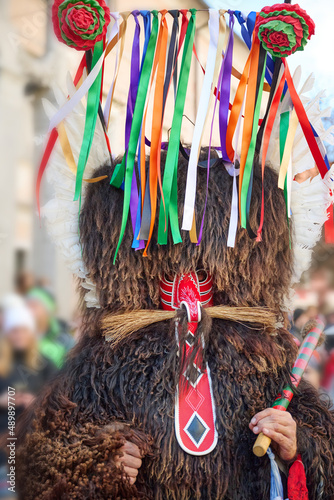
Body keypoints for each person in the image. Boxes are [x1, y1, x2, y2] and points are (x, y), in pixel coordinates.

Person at [16, 4, 334, 500]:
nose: (190, 283)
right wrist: (100, 460)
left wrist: (298, 446)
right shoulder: (101, 363)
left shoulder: (269, 362)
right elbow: (37, 464)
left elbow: (325, 458)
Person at [0, 306, 57, 498]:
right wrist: (3, 401)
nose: (18, 335)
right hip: (4, 447)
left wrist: (36, 401)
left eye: (23, 330)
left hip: (36, 444)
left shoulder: (45, 363)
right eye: (13, 331)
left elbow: (60, 398)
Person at [26, 287, 75, 368]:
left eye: (34, 306)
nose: (28, 310)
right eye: (27, 305)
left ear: (47, 310)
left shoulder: (65, 340)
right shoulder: (19, 337)